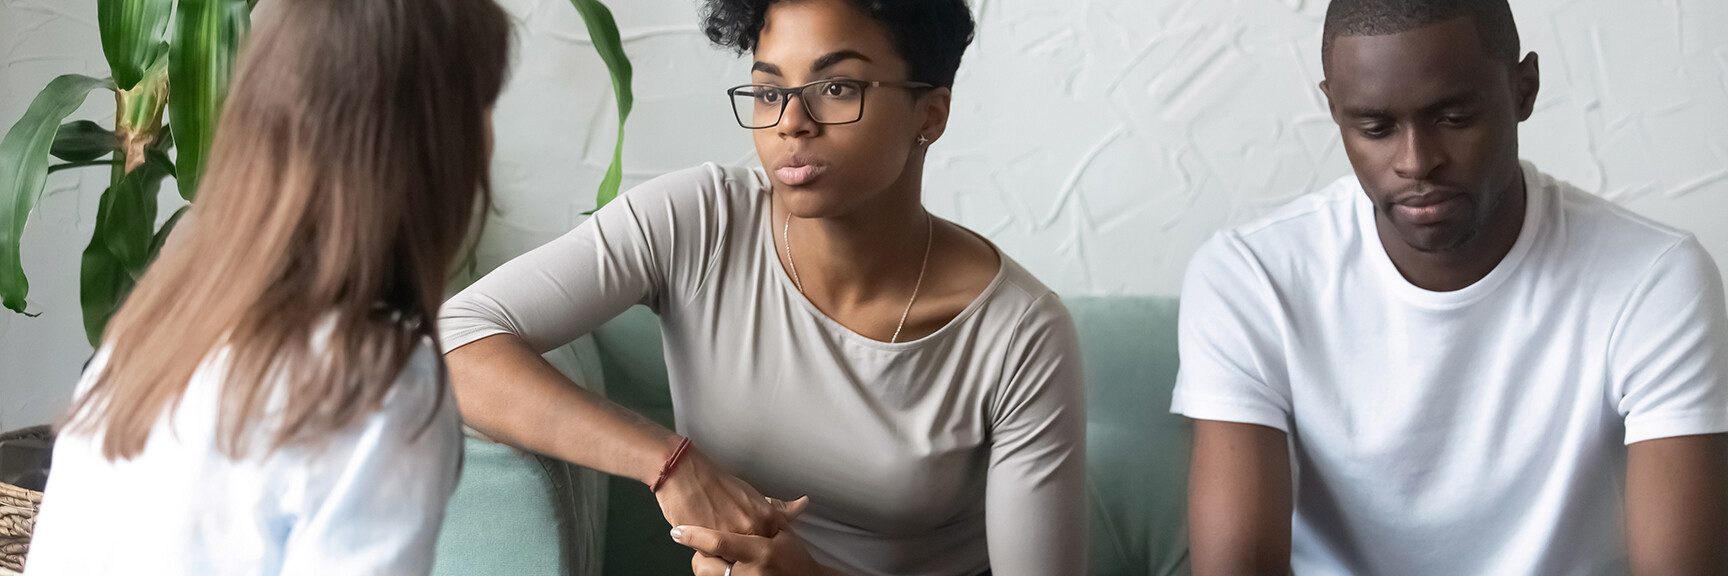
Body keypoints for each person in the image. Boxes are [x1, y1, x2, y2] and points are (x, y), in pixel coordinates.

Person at [437, 0, 1087, 574]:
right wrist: (667, 459)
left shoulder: (1019, 334)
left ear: (931, 113)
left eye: (837, 86)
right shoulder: (698, 221)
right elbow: (454, 340)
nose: (791, 123)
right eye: (769, 91)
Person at [1173, 1, 1728, 574]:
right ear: (1334, 108)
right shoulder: (1252, 277)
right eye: (1375, 127)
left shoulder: (1653, 279)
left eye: (1454, 117)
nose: (1416, 162)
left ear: (1524, 90)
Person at [25, 0, 511, 573]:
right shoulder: (376, 387)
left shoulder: (154, 326)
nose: (490, 141)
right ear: (431, 151)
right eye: (482, 108)